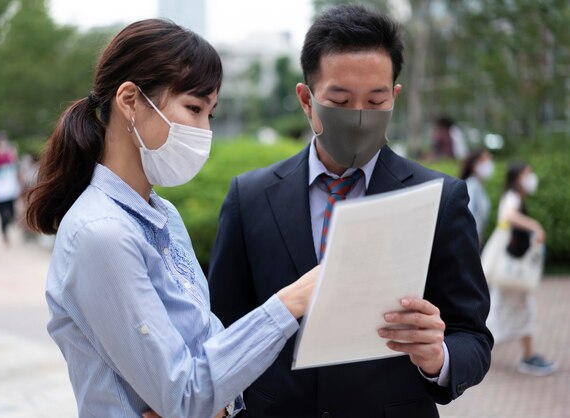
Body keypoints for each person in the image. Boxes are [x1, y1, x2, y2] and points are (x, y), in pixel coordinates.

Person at [208, 5, 493, 417]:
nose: (359, 117)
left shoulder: (439, 198)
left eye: (376, 100)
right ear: (307, 100)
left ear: (394, 97)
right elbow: (223, 328)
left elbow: (473, 339)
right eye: (340, 100)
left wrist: (438, 356)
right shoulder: (250, 197)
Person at [25, 19, 319, 418]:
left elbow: (204, 348)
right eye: (194, 108)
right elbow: (185, 395)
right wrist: (289, 303)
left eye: (210, 114)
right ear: (129, 100)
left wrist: (216, 400)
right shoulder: (101, 234)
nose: (203, 130)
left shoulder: (163, 215)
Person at [485, 162, 557, 376]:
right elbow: (510, 216)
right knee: (520, 311)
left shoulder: (514, 197)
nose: (531, 177)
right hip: (511, 272)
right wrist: (535, 225)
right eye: (527, 173)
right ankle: (528, 357)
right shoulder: (512, 197)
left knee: (505, 312)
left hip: (509, 273)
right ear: (517, 177)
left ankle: (526, 355)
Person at [460, 148, 494, 246]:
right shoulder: (472, 185)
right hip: (470, 241)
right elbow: (468, 214)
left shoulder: (479, 185)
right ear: (474, 164)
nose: (489, 164)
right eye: (485, 160)